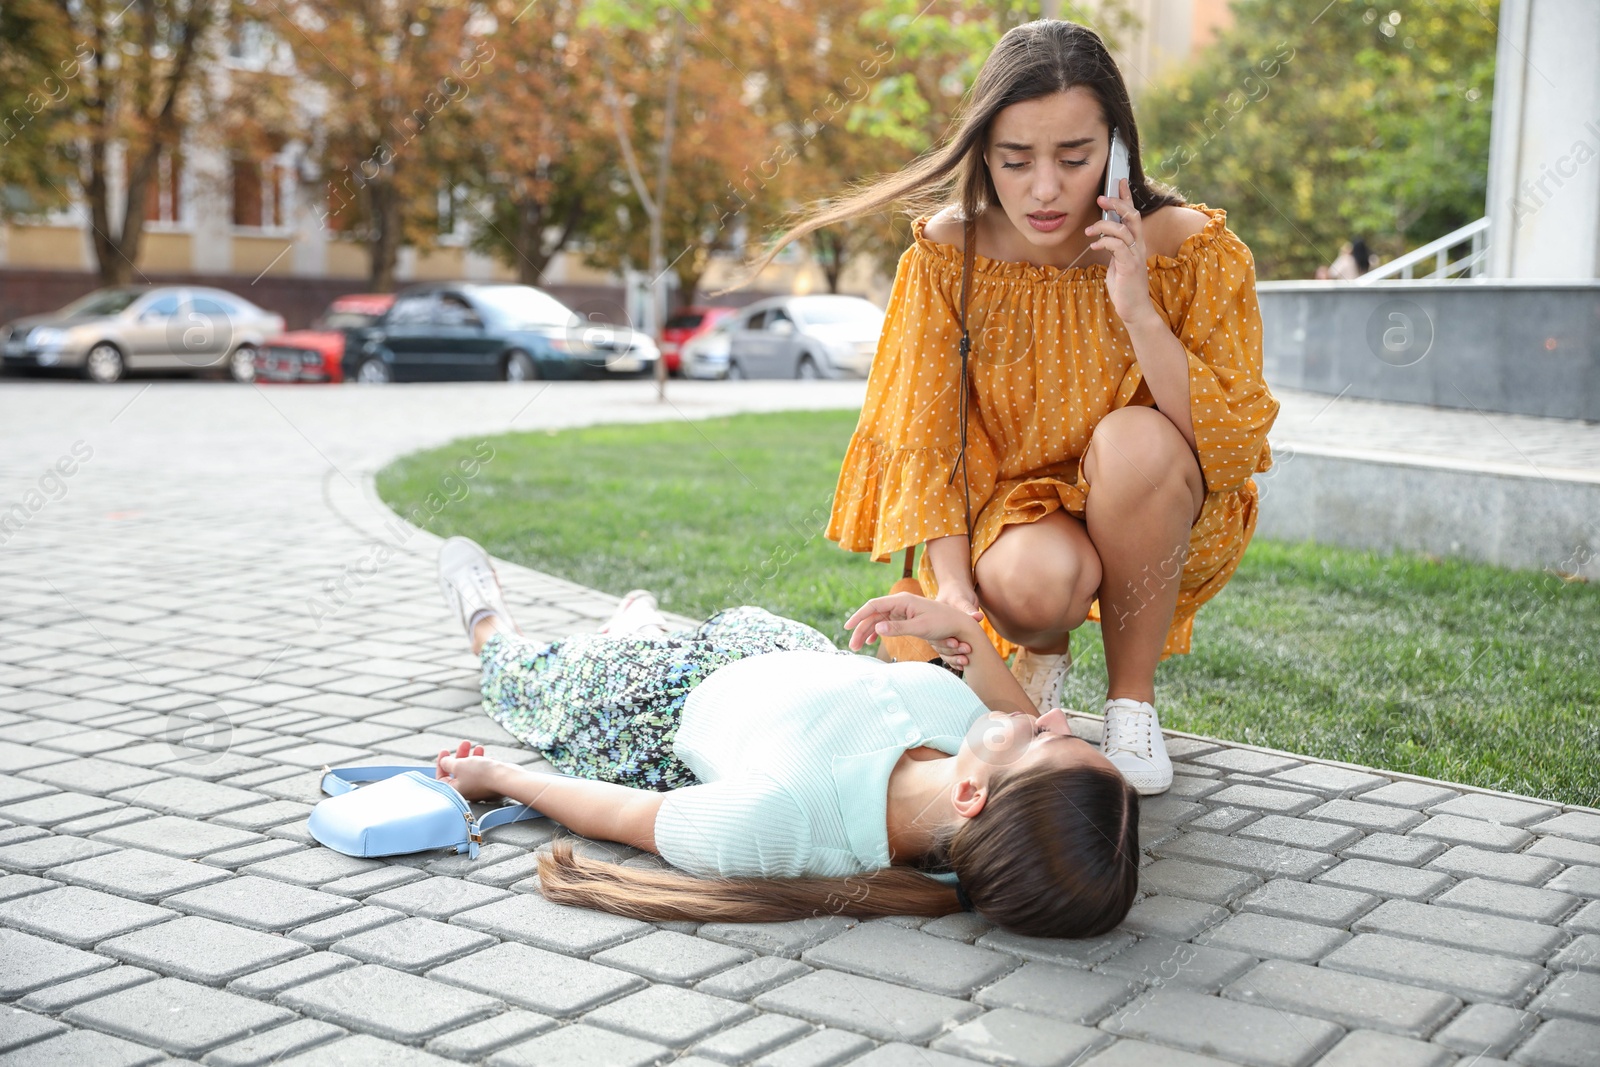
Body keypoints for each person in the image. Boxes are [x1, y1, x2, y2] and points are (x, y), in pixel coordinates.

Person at [732, 19, 1280, 795]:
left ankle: (1131, 705)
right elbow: (926, 441)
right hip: (1019, 517)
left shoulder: (1192, 249)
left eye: (1075, 157)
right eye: (1016, 160)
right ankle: (1040, 654)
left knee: (1135, 441)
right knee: (1035, 580)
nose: (1045, 188)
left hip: (1159, 500)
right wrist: (954, 591)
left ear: (1120, 149)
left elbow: (1227, 445)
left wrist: (1138, 310)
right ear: (983, 153)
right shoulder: (945, 259)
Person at [431, 537, 1139, 937]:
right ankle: (636, 629)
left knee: (524, 673)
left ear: (970, 795)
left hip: (652, 703)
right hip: (767, 644)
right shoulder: (972, 747)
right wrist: (956, 631)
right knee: (644, 639)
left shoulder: (783, 822)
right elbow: (1033, 764)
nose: (1051, 716)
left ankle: (486, 618)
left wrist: (500, 777)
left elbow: (623, 814)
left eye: (1046, 737)